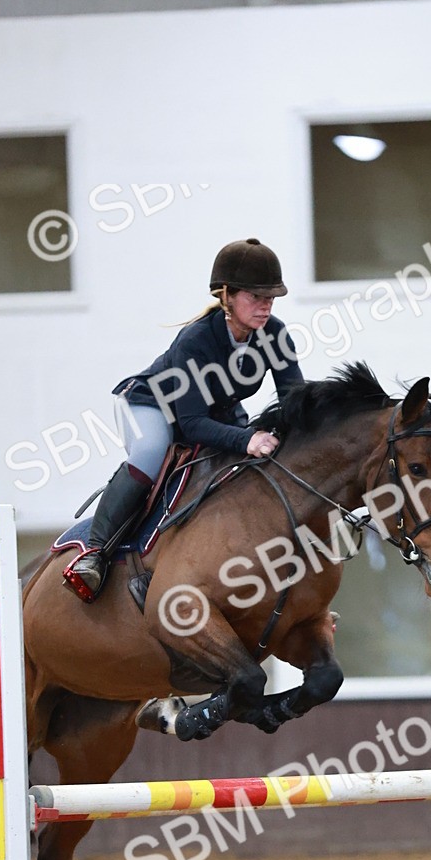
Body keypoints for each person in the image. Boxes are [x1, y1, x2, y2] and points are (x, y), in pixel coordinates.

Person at [64, 238, 304, 602]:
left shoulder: (274, 333)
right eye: (256, 296)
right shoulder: (196, 339)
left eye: (271, 297)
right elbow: (190, 424)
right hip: (151, 404)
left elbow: (294, 399)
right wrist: (247, 439)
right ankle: (95, 553)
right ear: (227, 295)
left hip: (213, 412)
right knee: (151, 452)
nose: (266, 305)